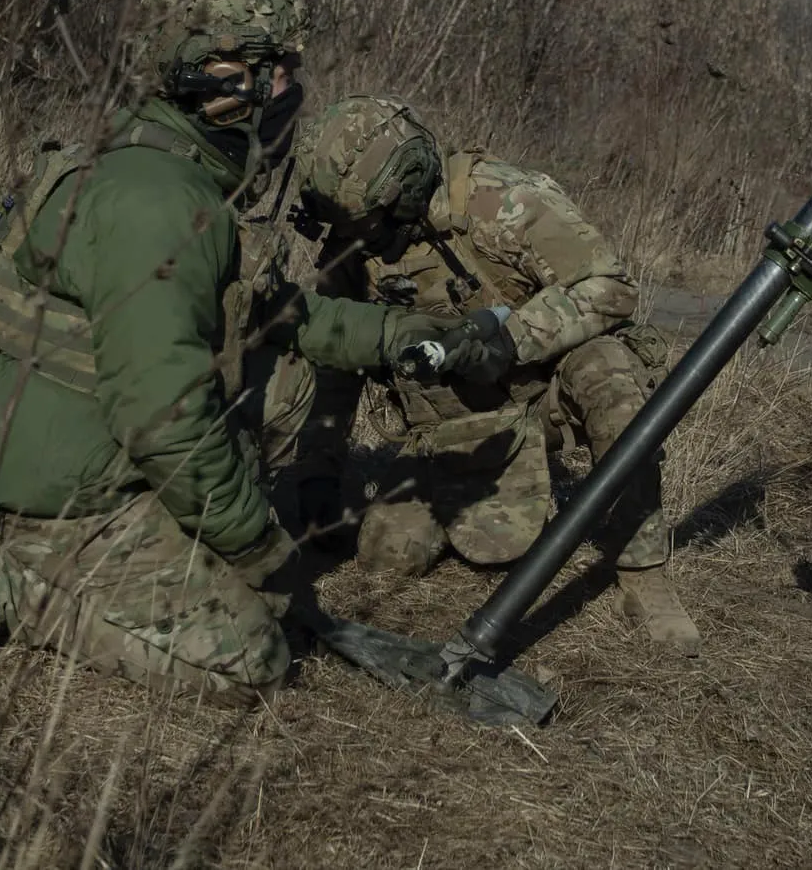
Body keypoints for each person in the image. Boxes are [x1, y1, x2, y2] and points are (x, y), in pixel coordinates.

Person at [0, 0, 469, 704]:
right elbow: (162, 416)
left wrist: (407, 334)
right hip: (62, 501)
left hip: (68, 458)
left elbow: (285, 317)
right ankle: (0, 582)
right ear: (222, 79)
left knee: (287, 380)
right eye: (279, 74)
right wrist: (256, 544)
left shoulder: (160, 171)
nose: (289, 95)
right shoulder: (163, 207)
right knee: (252, 654)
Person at [290, 93, 702, 654]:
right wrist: (318, 472)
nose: (353, 240)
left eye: (362, 224)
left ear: (404, 190)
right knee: (387, 557)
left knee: (609, 373)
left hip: (544, 397)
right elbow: (334, 362)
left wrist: (512, 340)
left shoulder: (501, 201)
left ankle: (643, 571)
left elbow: (609, 286)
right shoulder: (353, 243)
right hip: (448, 425)